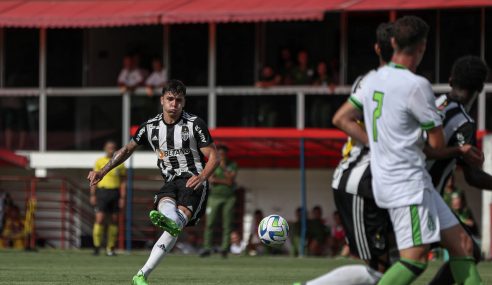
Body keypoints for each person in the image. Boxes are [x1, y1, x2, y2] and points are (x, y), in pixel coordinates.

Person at [347, 16, 481, 285]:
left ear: (392, 42)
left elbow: (341, 118)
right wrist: (460, 151)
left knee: (463, 246)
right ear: (422, 48)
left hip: (404, 179)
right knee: (415, 260)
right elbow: (436, 145)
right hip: (406, 182)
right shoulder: (417, 86)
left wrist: (378, 144)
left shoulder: (373, 79)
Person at [87, 79, 219, 285]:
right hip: (170, 180)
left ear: (183, 103)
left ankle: (168, 227)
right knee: (169, 213)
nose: (174, 104)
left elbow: (214, 157)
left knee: (178, 218)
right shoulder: (150, 127)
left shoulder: (194, 124)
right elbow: (126, 150)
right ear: (162, 100)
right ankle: (141, 274)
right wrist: (103, 171)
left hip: (193, 180)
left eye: (178, 100)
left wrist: (202, 177)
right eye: (170, 99)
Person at [200, 144, 238, 258]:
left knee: (227, 224)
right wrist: (225, 180)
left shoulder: (232, 165)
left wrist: (223, 169)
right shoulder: (212, 164)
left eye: (223, 154)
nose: (221, 156)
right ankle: (207, 247)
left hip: (229, 198)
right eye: (219, 154)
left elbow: (231, 181)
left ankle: (225, 248)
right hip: (214, 197)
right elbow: (211, 179)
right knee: (210, 223)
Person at [90, 140, 126, 256]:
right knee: (100, 219)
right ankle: (96, 247)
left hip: (115, 192)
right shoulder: (99, 161)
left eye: (113, 147)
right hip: (102, 192)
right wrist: (93, 195)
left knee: (114, 220)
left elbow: (123, 181)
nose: (111, 149)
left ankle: (110, 248)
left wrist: (122, 197)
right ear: (105, 148)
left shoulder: (120, 163)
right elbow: (94, 179)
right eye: (109, 147)